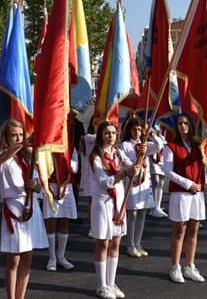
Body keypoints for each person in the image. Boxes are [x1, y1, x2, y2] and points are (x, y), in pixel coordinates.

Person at [0, 120, 47, 299]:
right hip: (14, 208)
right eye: (14, 135)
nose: (18, 138)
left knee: (27, 259)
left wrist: (36, 186)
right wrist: (21, 146)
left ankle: (21, 296)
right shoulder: (1, 155)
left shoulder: (29, 158)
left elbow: (40, 187)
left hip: (31, 207)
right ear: (6, 138)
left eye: (21, 135)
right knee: (14, 259)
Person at [89, 121, 141, 299]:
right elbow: (104, 182)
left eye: (113, 133)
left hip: (118, 201)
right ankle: (101, 285)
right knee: (103, 243)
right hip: (103, 203)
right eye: (107, 133)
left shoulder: (118, 153)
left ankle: (111, 283)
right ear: (101, 135)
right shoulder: (96, 155)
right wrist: (125, 173)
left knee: (116, 242)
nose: (110, 136)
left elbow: (131, 166)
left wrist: (140, 157)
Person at [163, 113, 205, 283]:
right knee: (180, 231)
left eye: (186, 123)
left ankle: (190, 266)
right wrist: (189, 184)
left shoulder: (199, 146)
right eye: (180, 123)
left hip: (198, 193)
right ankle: (175, 267)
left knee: (193, 231)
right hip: (180, 193)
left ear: (191, 125)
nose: (183, 126)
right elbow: (168, 172)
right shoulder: (171, 146)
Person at [120, 117, 164, 257]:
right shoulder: (125, 145)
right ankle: (130, 244)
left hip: (145, 182)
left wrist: (150, 135)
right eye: (134, 130)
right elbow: (125, 162)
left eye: (139, 130)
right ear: (129, 131)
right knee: (132, 214)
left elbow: (159, 146)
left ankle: (138, 243)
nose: (137, 133)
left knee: (142, 213)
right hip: (132, 182)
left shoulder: (145, 144)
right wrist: (135, 162)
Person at [43, 148, 78, 271]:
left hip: (67, 186)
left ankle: (61, 256)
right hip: (51, 185)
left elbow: (75, 168)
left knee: (65, 220)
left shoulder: (71, 148)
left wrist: (64, 161)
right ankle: (52, 257)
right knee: (51, 220)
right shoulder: (48, 148)